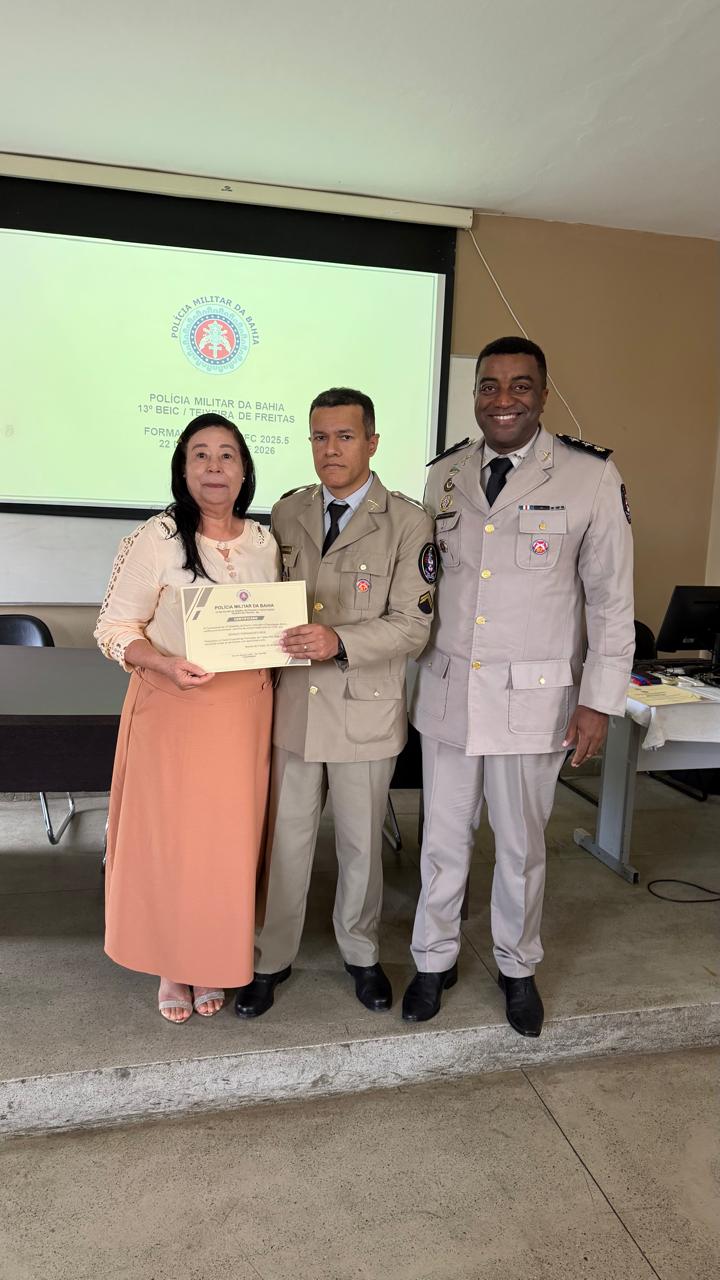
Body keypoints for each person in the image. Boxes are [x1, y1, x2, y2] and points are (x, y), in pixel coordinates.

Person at [404, 336, 634, 1035]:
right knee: (442, 841)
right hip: (449, 693)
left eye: (520, 386)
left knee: (521, 848)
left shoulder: (588, 477)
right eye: (489, 386)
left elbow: (611, 601)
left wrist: (598, 701)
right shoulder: (444, 476)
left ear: (543, 394)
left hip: (533, 702)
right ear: (475, 394)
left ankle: (516, 965)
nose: (503, 399)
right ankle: (433, 960)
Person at [235, 387, 435, 1018]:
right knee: (285, 844)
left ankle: (362, 953)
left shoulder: (407, 523)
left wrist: (339, 640)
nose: (331, 449)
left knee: (360, 846)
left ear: (372, 442)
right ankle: (270, 958)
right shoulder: (287, 511)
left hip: (364, 711)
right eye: (320, 437)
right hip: (294, 709)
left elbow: (413, 626)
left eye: (345, 436)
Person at [95, 413, 280, 1023]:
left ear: (245, 470)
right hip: (173, 711)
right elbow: (114, 628)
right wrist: (165, 663)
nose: (214, 467)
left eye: (227, 455)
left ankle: (213, 957)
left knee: (225, 846)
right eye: (200, 454)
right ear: (182, 468)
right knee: (173, 842)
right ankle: (172, 965)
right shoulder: (159, 538)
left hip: (243, 716)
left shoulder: (265, 543)